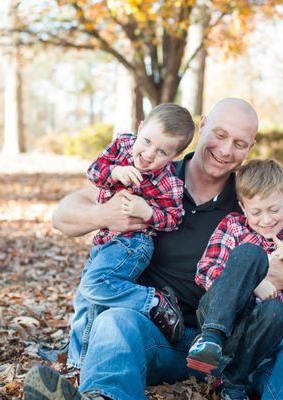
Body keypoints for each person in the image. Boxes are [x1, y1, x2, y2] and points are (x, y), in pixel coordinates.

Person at [23, 98, 283, 400]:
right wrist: (103, 215)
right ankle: (105, 395)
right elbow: (61, 216)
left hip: (232, 346)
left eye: (240, 144)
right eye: (219, 135)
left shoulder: (250, 201)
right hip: (159, 337)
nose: (226, 150)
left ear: (250, 148)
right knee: (115, 322)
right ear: (202, 126)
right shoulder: (153, 176)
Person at [186, 159, 283, 399]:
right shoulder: (233, 227)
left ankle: (235, 383)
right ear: (243, 207)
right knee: (251, 254)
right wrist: (253, 283)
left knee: (279, 312)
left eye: (274, 210)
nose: (266, 220)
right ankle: (209, 341)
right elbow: (206, 270)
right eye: (256, 212)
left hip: (259, 334)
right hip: (219, 317)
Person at [68, 103, 194, 371]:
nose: (148, 154)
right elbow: (93, 171)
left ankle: (154, 302)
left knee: (95, 284)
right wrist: (113, 172)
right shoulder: (123, 146)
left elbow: (174, 218)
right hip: (105, 239)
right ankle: (78, 364)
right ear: (140, 128)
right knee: (86, 299)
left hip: (133, 243)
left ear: (176, 155)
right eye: (147, 141)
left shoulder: (169, 181)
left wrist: (148, 212)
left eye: (162, 151)